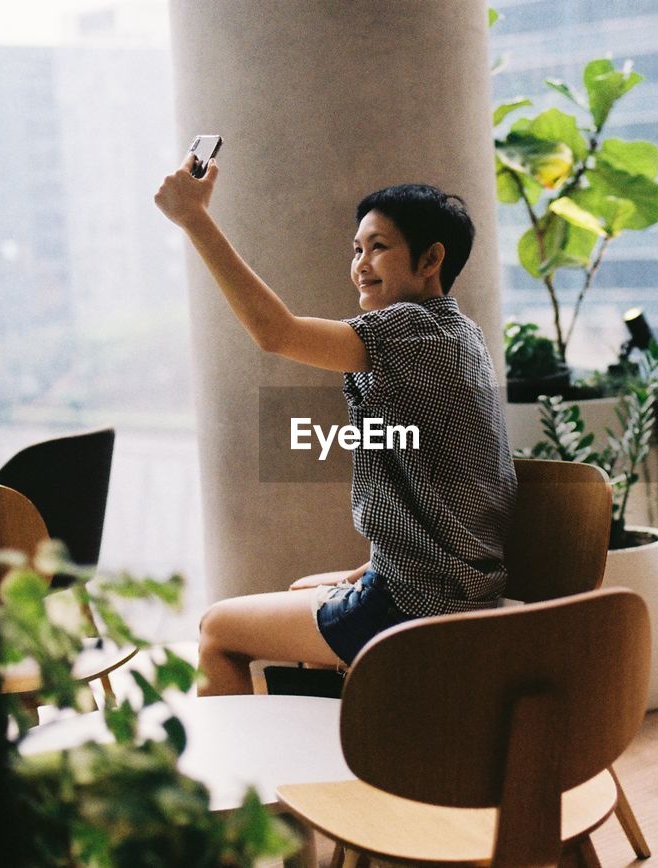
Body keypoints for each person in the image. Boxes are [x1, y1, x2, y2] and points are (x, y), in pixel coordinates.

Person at [154, 153, 517, 695]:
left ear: (430, 260)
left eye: (379, 247)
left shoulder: (412, 332)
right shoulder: (461, 336)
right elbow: (431, 480)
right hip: (454, 586)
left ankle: (241, 780)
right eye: (356, 249)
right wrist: (369, 565)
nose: (361, 263)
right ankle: (338, 741)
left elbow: (275, 332)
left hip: (413, 604)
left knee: (217, 629)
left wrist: (194, 218)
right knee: (305, 587)